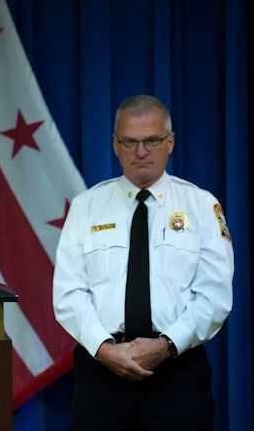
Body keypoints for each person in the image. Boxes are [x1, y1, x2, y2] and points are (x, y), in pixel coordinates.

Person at [53, 94, 234, 430]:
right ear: (115, 145)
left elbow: (214, 296)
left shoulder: (201, 206)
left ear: (170, 142)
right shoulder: (86, 207)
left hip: (177, 373)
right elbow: (69, 294)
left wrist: (166, 345)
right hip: (101, 374)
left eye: (151, 140)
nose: (140, 152)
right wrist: (106, 350)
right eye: (130, 141)